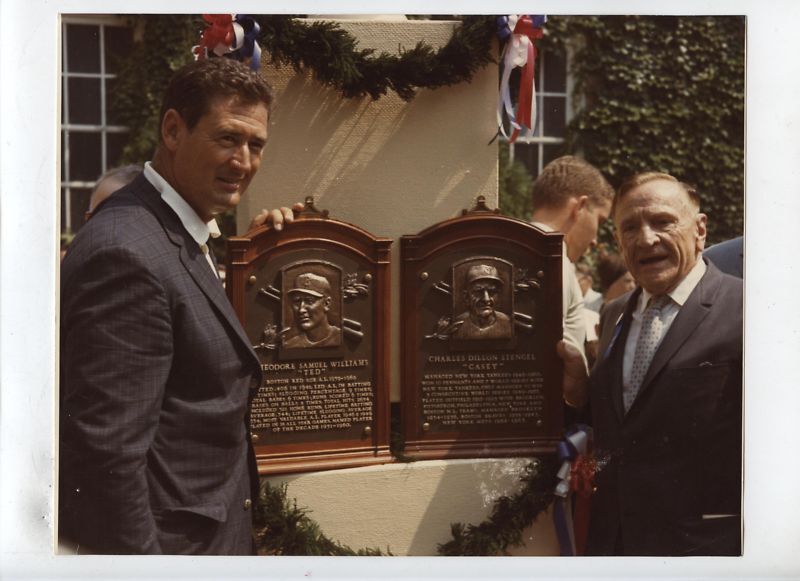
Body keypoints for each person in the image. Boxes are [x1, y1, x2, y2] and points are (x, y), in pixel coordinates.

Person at [59, 57, 298, 555]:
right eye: (228, 138)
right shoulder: (125, 254)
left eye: (256, 145)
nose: (245, 161)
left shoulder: (177, 233)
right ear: (173, 129)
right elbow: (107, 461)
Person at [569, 172, 742, 556]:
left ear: (699, 229)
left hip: (703, 552)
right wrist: (578, 394)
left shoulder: (747, 308)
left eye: (662, 222)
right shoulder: (614, 314)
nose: (646, 238)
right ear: (618, 241)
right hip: (616, 547)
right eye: (630, 227)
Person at [530, 155, 614, 402]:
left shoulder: (515, 253)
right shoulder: (557, 263)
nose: (596, 240)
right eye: (600, 221)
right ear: (580, 207)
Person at [452, 264, 513, 340]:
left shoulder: (508, 323)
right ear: (466, 297)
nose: (486, 299)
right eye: (478, 291)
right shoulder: (456, 326)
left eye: (492, 292)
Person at [283, 272, 342, 348]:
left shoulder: (341, 338)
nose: (301, 310)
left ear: (326, 304)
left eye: (309, 301)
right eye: (297, 301)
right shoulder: (290, 345)